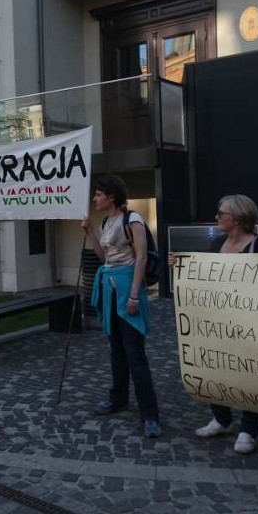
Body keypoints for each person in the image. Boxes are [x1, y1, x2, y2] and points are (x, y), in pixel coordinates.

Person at [171, 195, 258, 454]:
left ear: (236, 218)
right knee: (214, 368)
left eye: (220, 213)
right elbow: (206, 279)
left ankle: (248, 430)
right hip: (219, 322)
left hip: (251, 325)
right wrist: (182, 268)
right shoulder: (217, 244)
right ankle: (221, 419)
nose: (216, 217)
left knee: (250, 373)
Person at [81, 174, 161, 438]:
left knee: (135, 354)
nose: (95, 198)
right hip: (110, 288)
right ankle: (118, 399)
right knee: (116, 350)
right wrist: (91, 232)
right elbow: (104, 258)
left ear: (111, 196)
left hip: (129, 288)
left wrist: (135, 295)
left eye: (99, 194)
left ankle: (150, 415)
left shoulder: (133, 219)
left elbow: (140, 258)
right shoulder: (106, 221)